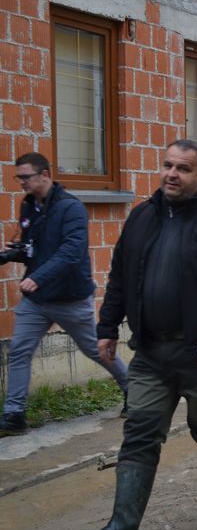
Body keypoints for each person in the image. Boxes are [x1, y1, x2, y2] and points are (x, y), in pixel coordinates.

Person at [69, 140, 197, 530]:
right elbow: (120, 276)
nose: (172, 174)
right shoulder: (141, 217)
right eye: (168, 165)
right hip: (151, 353)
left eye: (183, 168)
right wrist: (107, 327)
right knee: (139, 432)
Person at [0, 153, 129, 437]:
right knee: (20, 350)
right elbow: (35, 248)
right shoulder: (29, 205)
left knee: (95, 349)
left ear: (45, 175)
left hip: (70, 298)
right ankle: (14, 415)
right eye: (19, 177)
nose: (21, 182)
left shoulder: (71, 208)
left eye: (26, 177)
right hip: (37, 301)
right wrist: (13, 253)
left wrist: (37, 277)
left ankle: (133, 390)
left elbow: (71, 252)